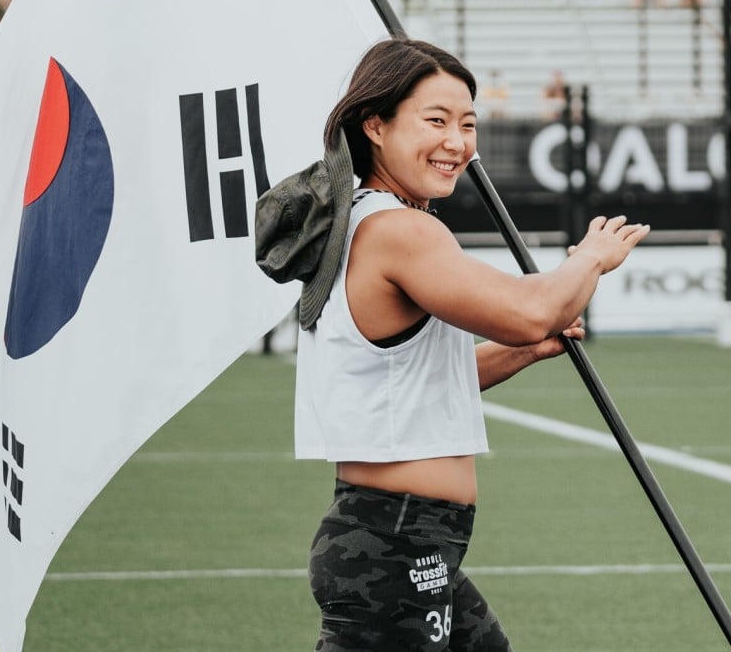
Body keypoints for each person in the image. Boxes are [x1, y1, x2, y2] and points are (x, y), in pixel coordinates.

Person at [255, 37, 649, 651]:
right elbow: (530, 310)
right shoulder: (397, 229)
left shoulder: (363, 221)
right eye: (435, 121)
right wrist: (590, 259)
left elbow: (418, 374)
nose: (457, 143)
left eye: (468, 124)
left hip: (405, 537)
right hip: (391, 541)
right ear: (376, 125)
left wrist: (528, 350)